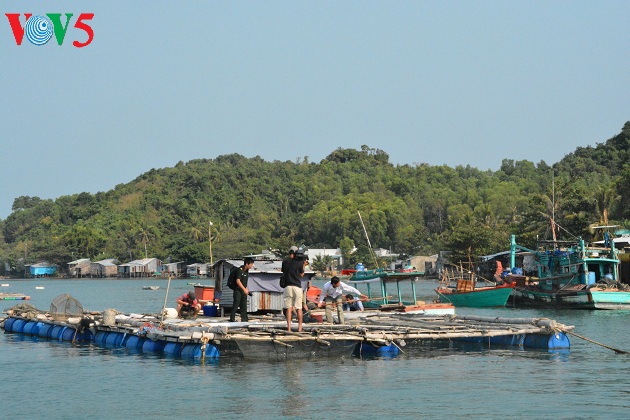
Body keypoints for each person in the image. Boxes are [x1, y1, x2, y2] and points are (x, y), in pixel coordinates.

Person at [284, 249, 306, 331]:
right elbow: (302, 275)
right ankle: (300, 328)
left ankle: (289, 328)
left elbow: (283, 271)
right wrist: (304, 265)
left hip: (288, 286)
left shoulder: (285, 262)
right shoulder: (300, 263)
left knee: (289, 308)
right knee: (299, 308)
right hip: (297, 286)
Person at [229, 257, 255, 322]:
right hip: (238, 290)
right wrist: (244, 289)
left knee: (244, 306)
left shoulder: (247, 271)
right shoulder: (240, 270)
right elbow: (238, 281)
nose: (252, 266)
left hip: (243, 290)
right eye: (251, 264)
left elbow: (244, 282)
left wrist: (246, 289)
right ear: (247, 264)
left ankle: (244, 319)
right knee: (236, 304)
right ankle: (232, 319)